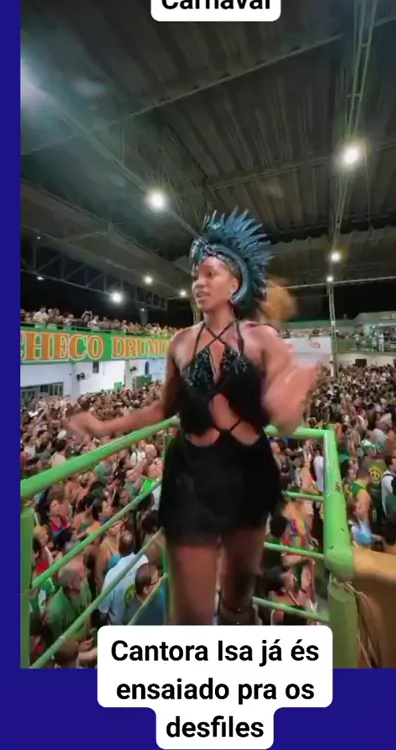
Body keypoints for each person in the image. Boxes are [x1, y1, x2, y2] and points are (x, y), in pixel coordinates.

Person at [68, 209, 319, 625]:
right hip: (189, 479)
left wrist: (293, 399)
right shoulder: (180, 343)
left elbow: (287, 419)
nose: (198, 283)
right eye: (194, 276)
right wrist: (103, 427)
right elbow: (162, 408)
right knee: (192, 615)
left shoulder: (264, 340)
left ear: (235, 283)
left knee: (237, 601)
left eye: (209, 274)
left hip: (247, 478)